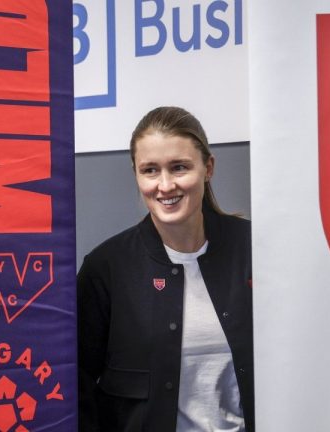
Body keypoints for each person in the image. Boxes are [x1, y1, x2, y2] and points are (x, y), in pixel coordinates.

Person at [78, 107, 254, 432]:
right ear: (136, 174)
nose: (165, 185)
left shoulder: (255, 249)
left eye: (179, 167)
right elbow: (78, 385)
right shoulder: (105, 269)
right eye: (150, 170)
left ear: (208, 168)